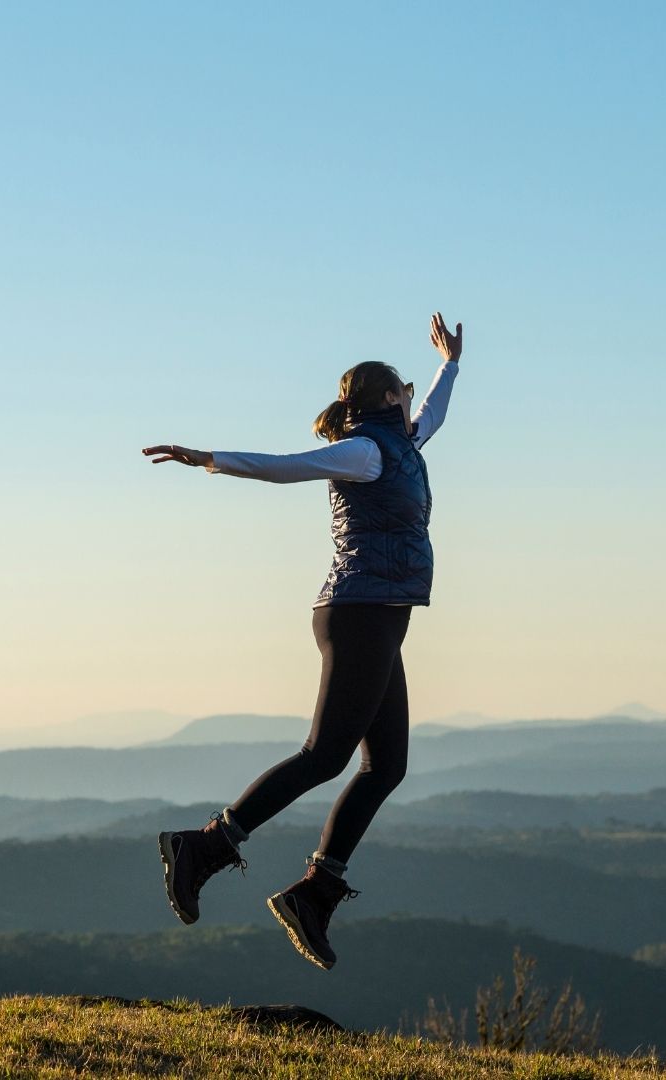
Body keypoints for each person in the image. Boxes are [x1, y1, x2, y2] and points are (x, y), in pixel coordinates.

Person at [139, 311, 463, 970]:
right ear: (383, 398)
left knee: (386, 765)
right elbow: (287, 468)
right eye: (402, 385)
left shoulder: (402, 442)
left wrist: (450, 364)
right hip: (357, 613)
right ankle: (203, 847)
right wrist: (211, 460)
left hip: (383, 614)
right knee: (326, 755)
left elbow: (435, 413)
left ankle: (315, 892)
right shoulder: (366, 450)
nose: (410, 394)